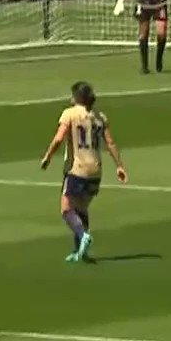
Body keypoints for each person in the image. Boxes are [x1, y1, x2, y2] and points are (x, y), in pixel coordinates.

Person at [40, 81, 128, 263]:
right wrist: (119, 165)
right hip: (96, 170)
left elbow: (58, 138)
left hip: (77, 168)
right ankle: (80, 251)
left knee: (66, 209)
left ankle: (83, 235)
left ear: (76, 97)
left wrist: (48, 156)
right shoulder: (100, 117)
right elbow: (110, 143)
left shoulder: (70, 114)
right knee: (81, 209)